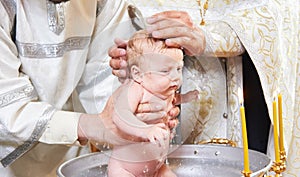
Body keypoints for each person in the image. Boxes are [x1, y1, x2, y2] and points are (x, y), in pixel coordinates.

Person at [110, 0, 299, 175]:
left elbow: (282, 9)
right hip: (159, 133)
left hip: (248, 90)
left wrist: (211, 35)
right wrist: (139, 57)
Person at [0, 0, 182, 176]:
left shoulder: (102, 3)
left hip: (72, 158)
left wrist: (140, 105)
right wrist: (97, 126)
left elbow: (101, 82)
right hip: (9, 163)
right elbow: (6, 107)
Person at [107, 30, 198, 177]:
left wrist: (186, 97)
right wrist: (145, 130)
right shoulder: (135, 89)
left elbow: (174, 99)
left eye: (179, 68)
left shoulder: (165, 90)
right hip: (125, 169)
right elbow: (120, 114)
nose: (175, 77)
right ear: (138, 74)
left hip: (157, 167)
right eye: (164, 71)